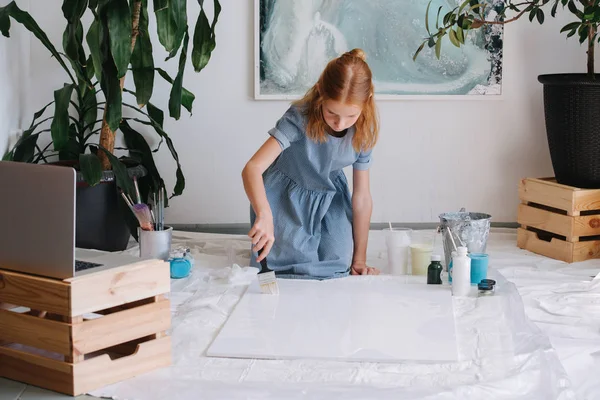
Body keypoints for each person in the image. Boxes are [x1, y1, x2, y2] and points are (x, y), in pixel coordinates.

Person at [242, 48, 380, 279]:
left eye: (351, 116)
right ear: (320, 93)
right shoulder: (299, 117)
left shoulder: (364, 131)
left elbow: (362, 197)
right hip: (286, 197)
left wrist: (359, 259)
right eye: (332, 113)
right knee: (292, 264)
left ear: (366, 102)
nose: (340, 123)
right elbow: (252, 168)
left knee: (338, 264)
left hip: (329, 199)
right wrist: (264, 213)